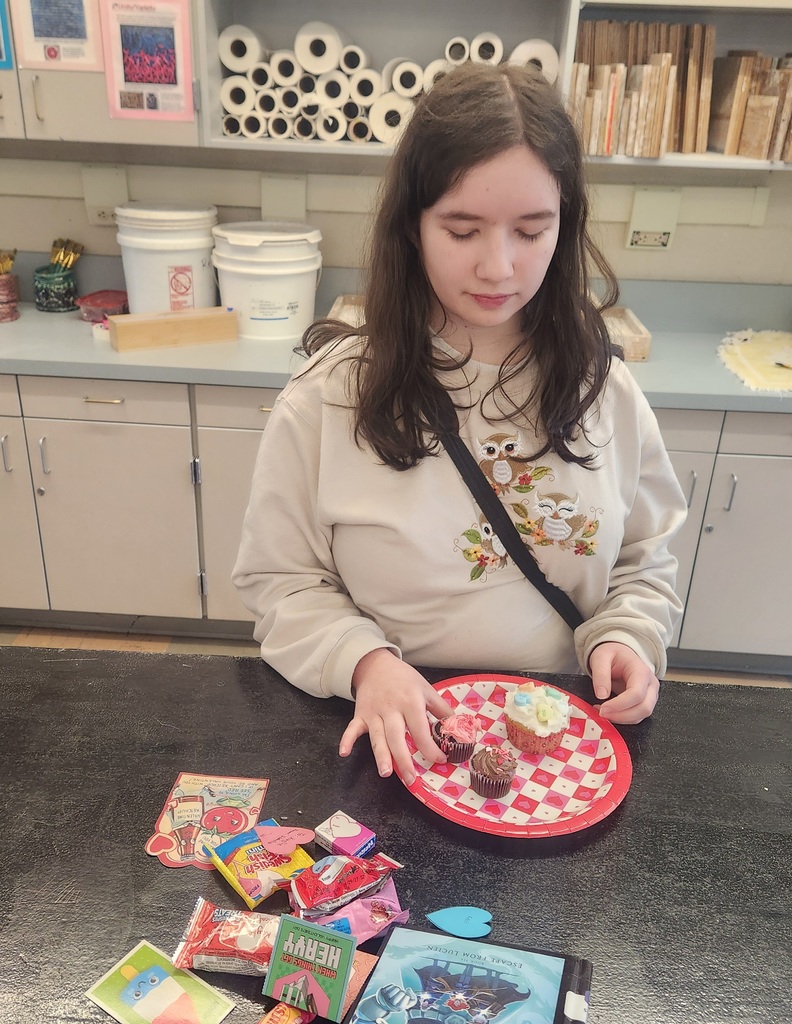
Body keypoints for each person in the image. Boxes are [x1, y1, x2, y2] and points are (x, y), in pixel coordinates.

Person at [233, 62, 687, 785]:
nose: (498, 266)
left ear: (564, 228)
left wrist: (629, 633)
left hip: (558, 747)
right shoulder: (331, 395)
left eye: (531, 231)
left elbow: (645, 557)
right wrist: (365, 662)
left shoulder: (606, 390)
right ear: (412, 226)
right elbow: (281, 580)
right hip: (393, 737)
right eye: (462, 229)